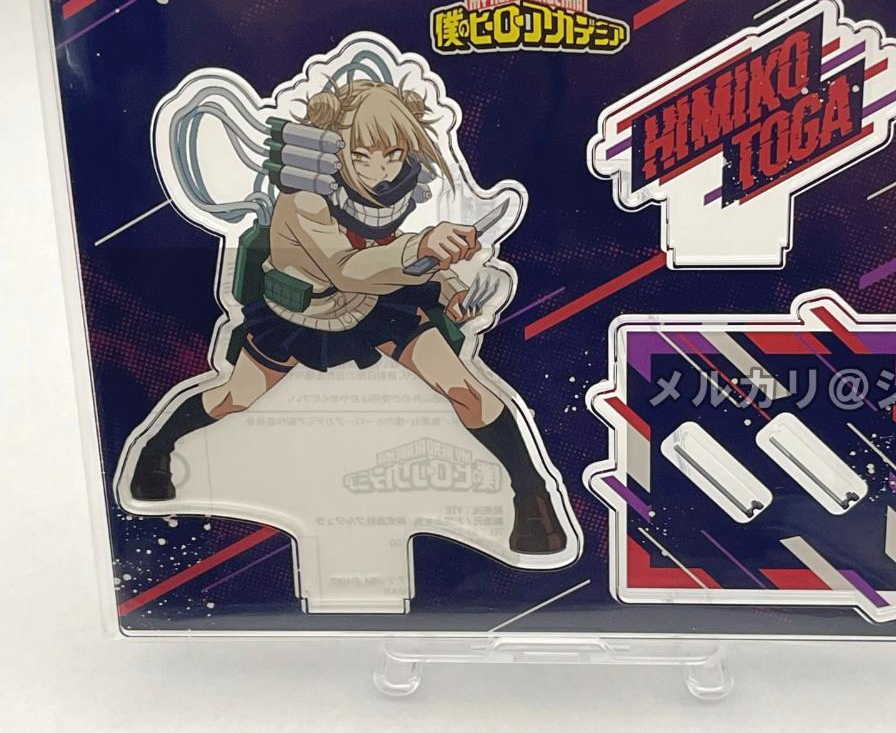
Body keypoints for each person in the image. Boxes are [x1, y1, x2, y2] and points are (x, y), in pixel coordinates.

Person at [128, 79, 567, 555]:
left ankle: (532, 497)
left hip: (373, 305)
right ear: (333, 147)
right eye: (362, 157)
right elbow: (346, 267)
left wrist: (451, 289)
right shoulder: (303, 200)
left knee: (465, 389)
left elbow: (385, 252)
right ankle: (155, 450)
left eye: (393, 155)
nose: (380, 173)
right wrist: (421, 246)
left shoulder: (390, 196)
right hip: (301, 315)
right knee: (236, 396)